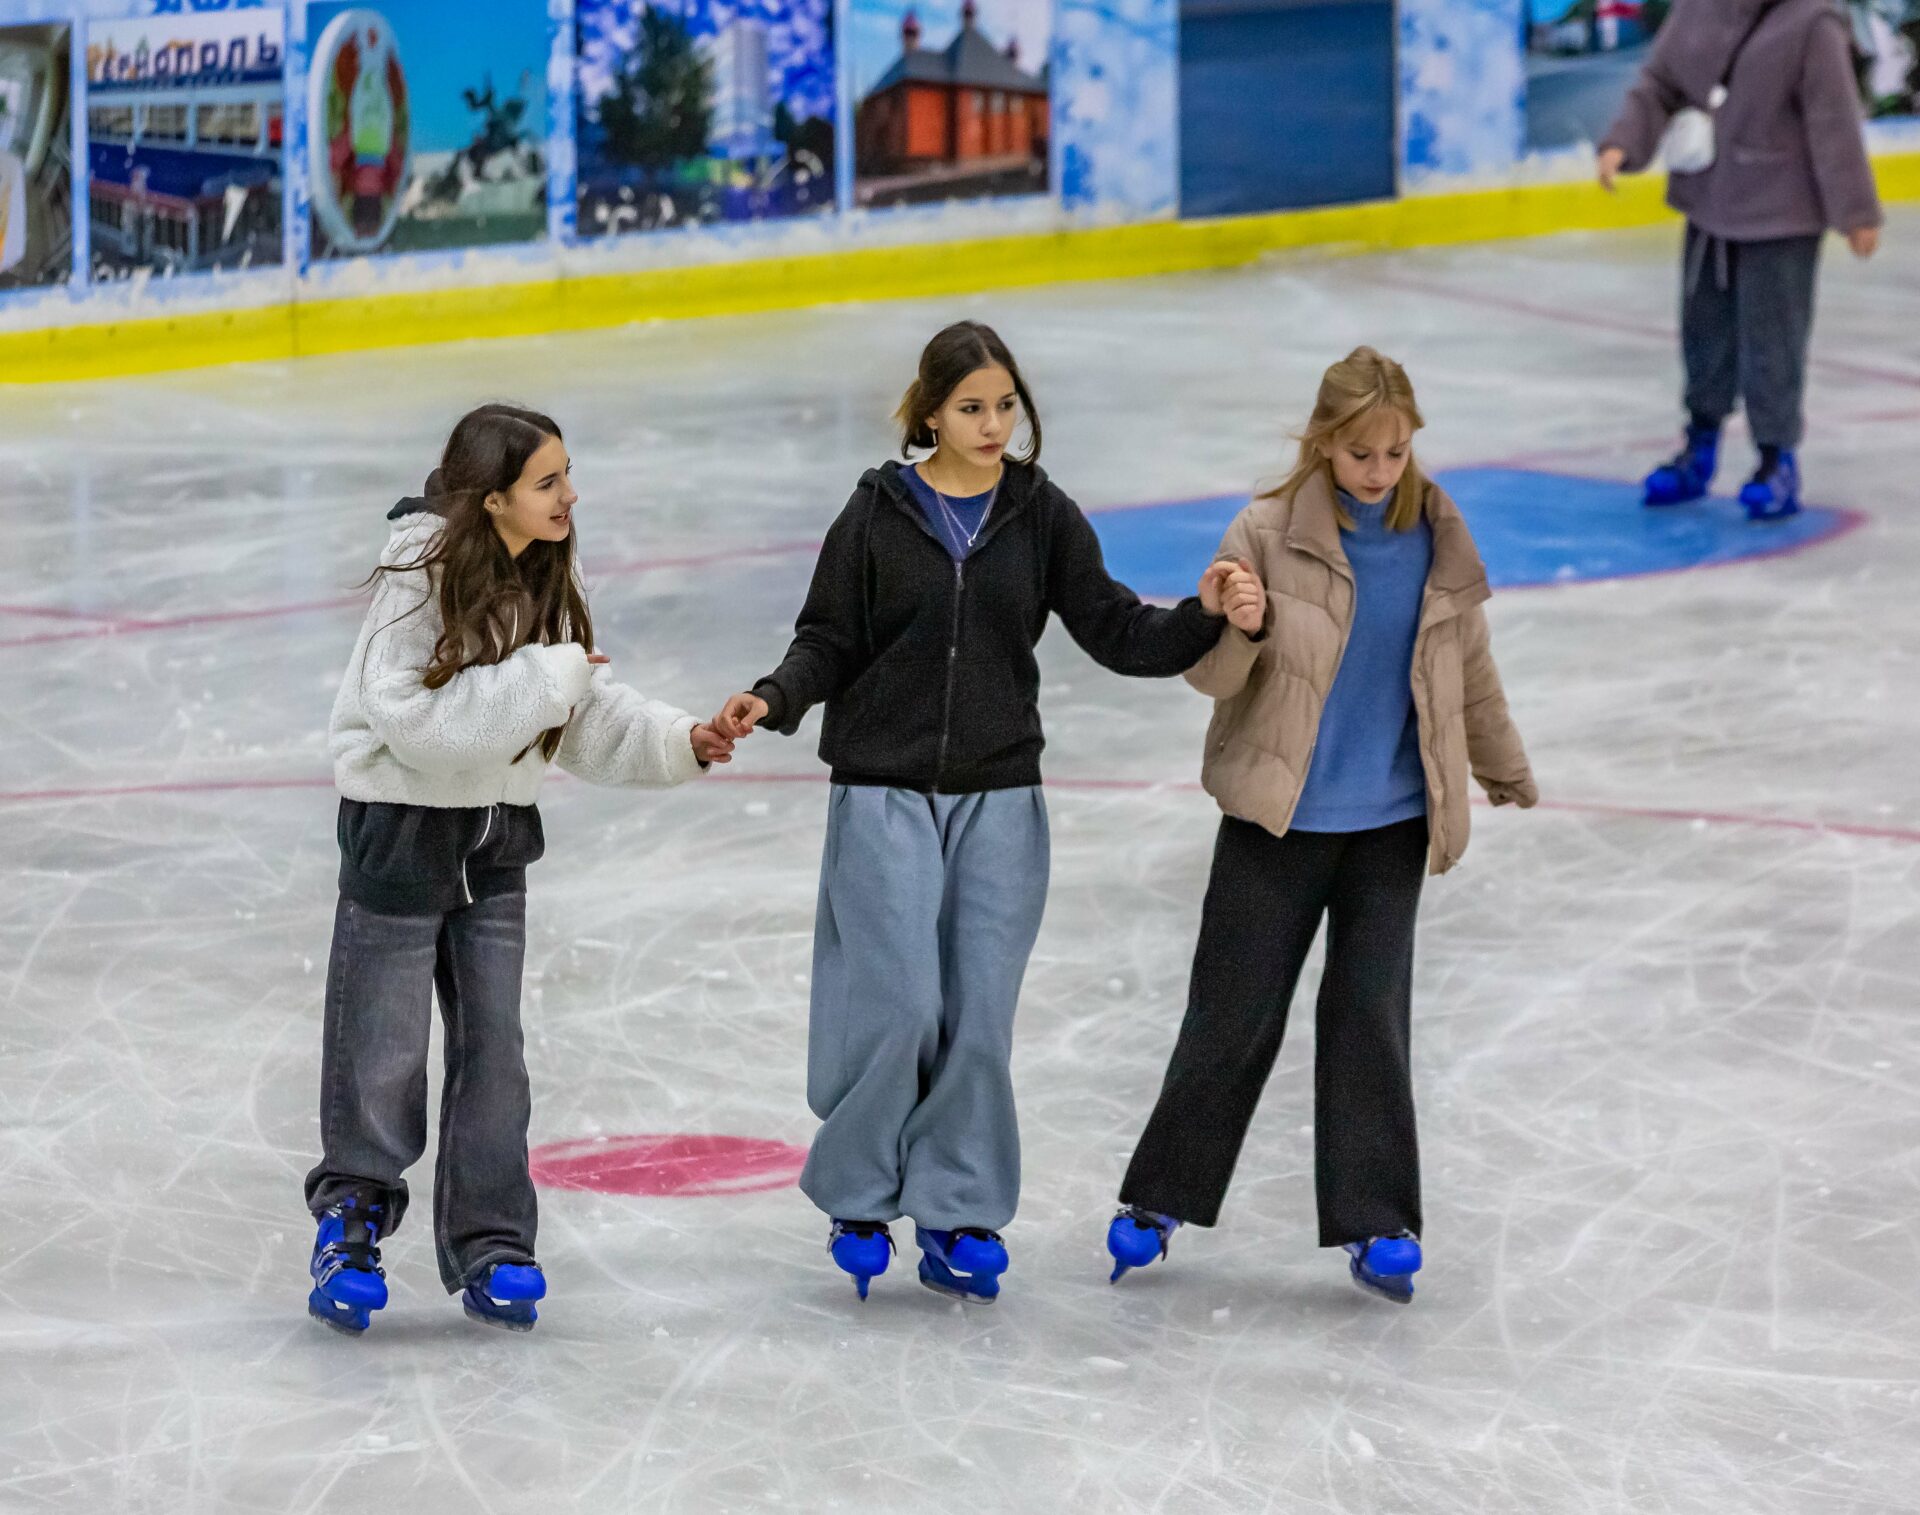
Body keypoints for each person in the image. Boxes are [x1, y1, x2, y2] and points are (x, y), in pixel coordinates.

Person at [716, 321, 1264, 1304]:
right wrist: (776, 696)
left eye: (1005, 405)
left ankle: (959, 1208)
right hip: (883, 789)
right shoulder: (877, 512)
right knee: (899, 1007)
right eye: (971, 407)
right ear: (929, 413)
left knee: (977, 1018)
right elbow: (828, 636)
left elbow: (1117, 629)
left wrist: (1205, 615)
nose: (993, 424)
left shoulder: (1039, 513)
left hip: (1001, 796)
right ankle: (859, 1194)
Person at [1106, 348, 1536, 1304]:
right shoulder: (1264, 533)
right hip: (1277, 818)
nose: (1380, 471)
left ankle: (1378, 1218)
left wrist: (1500, 763)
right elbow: (1212, 680)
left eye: (1395, 451)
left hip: (1391, 824)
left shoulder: (1437, 533)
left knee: (1370, 1019)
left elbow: (1467, 667)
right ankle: (1159, 1198)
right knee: (1231, 1014)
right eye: (1360, 453)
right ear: (1323, 444)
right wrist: (1241, 624)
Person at [305, 403, 733, 1334]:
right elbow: (418, 722)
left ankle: (493, 1239)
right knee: (381, 1047)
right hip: (401, 833)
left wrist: (683, 740)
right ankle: (351, 1223)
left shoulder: (541, 568)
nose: (570, 494)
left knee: (495, 1051)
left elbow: (579, 708)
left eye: (567, 473)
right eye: (548, 481)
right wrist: (547, 678)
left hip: (495, 841)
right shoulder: (417, 577)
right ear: (492, 497)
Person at [1597, 0, 1884, 519]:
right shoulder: (1698, 8)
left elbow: (1833, 120)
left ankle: (1777, 460)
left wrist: (1856, 210)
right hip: (1709, 201)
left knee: (1773, 342)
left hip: (1782, 214)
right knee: (1703, 332)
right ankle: (1699, 447)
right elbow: (1661, 81)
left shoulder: (1813, 22)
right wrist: (1623, 141)